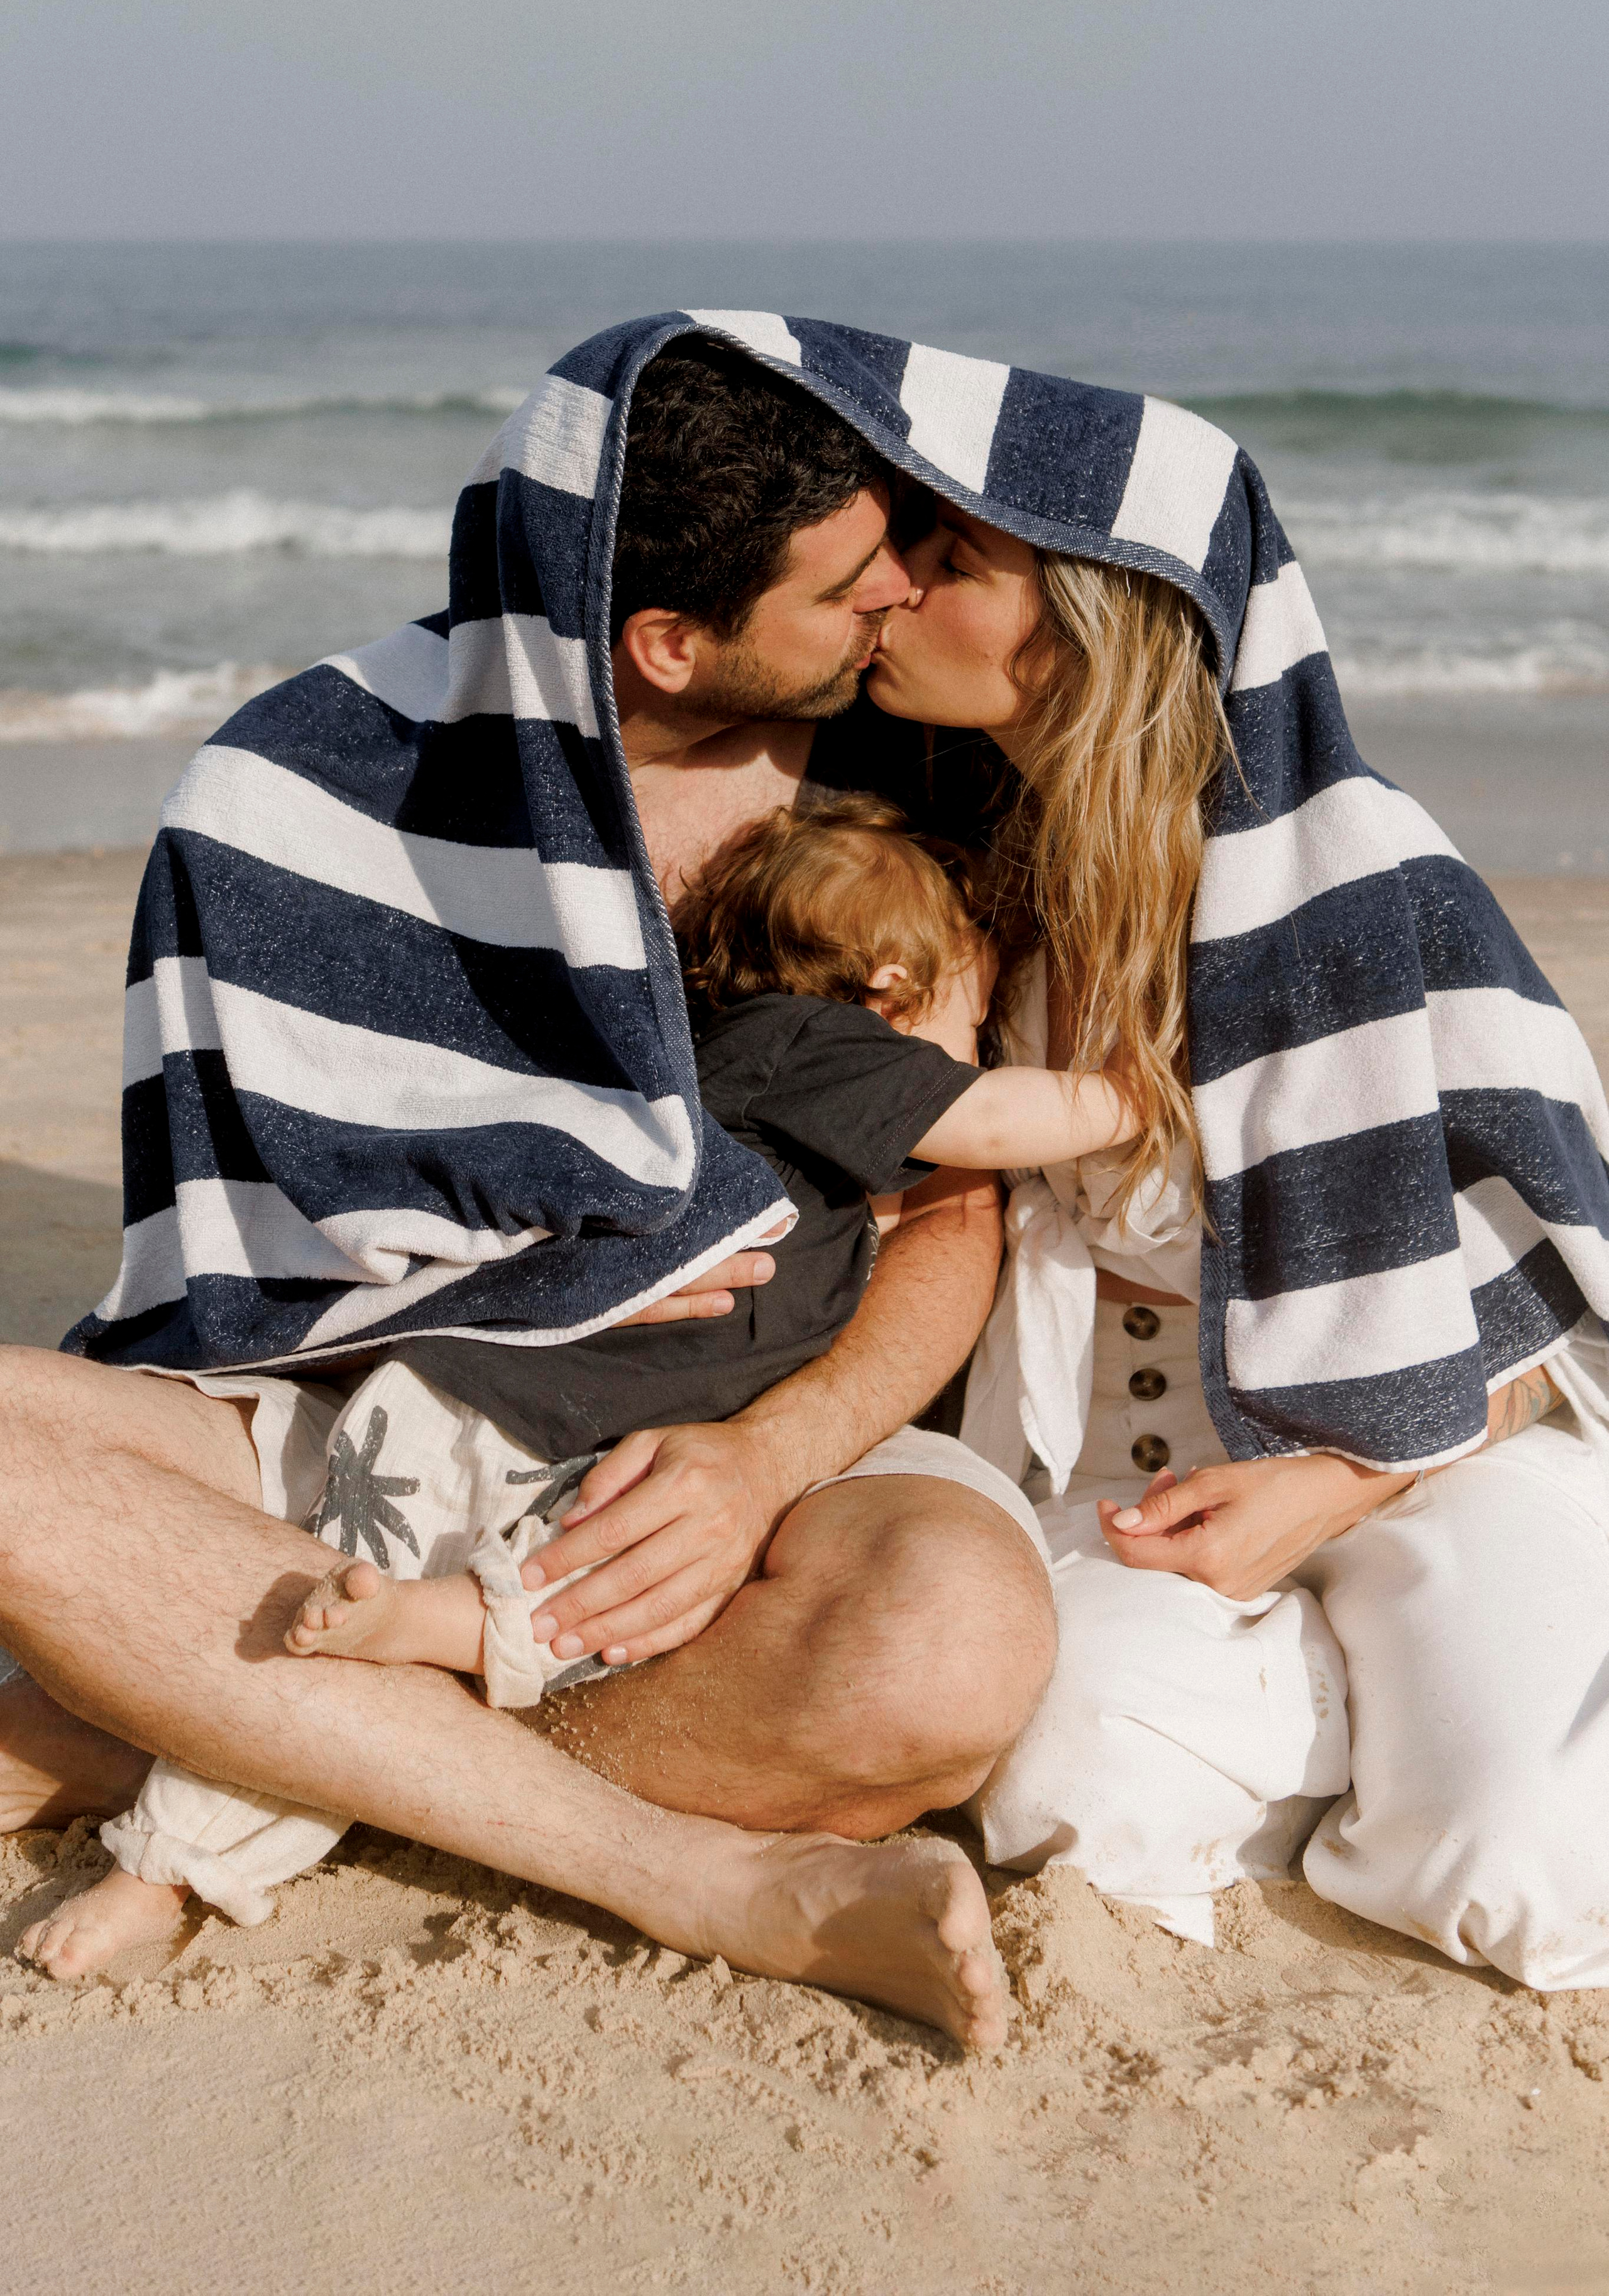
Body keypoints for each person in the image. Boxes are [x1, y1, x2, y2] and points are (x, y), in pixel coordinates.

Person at [3, 333, 1060, 2045]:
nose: (898, 602)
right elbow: (249, 1253)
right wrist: (522, 1286)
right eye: (848, 588)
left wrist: (760, 1460)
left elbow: (954, 1210)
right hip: (371, 1416)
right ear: (666, 639)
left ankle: (166, 1696)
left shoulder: (912, 793)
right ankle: (692, 1876)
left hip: (753, 1434)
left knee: (938, 1662)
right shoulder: (312, 793)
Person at [22, 794, 1138, 1959]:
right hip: (511, 1420)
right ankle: (164, 1868)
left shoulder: (718, 1058)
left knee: (451, 1600)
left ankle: (364, 1694)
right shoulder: (821, 1049)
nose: (974, 1049)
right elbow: (1013, 1119)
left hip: (538, 1418)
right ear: (893, 986)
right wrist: (1140, 1088)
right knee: (352, 1632)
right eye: (973, 1014)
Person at [865, 488, 1609, 1985]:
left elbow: (1548, 1302)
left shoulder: (1352, 874)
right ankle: (1344, 1709)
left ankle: (1376, 1701)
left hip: (1431, 1455)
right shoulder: (940, 879)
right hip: (1113, 1481)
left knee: (1521, 1869)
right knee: (1071, 1791)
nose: (885, 584)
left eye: (953, 564)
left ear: (1085, 632)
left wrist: (1331, 1482)